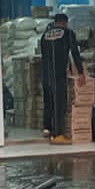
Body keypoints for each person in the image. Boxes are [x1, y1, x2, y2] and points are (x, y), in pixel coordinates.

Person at [38, 13, 84, 144]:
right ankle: (58, 135)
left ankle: (47, 129)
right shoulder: (68, 33)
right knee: (59, 104)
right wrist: (81, 72)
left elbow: (44, 55)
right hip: (58, 74)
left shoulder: (45, 35)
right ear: (65, 23)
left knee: (49, 101)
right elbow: (74, 53)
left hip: (46, 74)